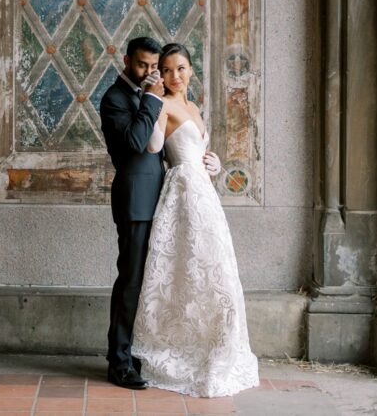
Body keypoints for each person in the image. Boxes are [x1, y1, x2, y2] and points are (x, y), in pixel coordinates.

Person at [132, 42, 259, 397]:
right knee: (187, 271)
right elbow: (156, 147)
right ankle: (177, 348)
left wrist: (214, 165)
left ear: (191, 70)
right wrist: (153, 100)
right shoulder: (166, 103)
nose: (175, 76)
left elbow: (199, 151)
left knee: (214, 269)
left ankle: (214, 346)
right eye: (168, 70)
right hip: (183, 193)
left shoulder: (193, 107)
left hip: (204, 193)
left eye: (181, 69)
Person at [98, 36, 166, 390]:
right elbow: (137, 142)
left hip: (163, 198)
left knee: (153, 281)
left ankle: (142, 353)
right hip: (135, 200)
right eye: (143, 65)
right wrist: (153, 98)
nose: (150, 73)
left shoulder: (152, 94)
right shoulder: (114, 99)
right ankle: (119, 361)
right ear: (126, 60)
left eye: (155, 67)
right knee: (131, 281)